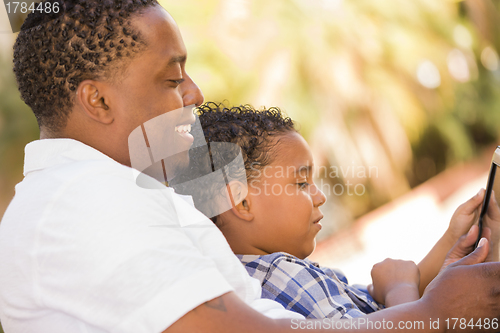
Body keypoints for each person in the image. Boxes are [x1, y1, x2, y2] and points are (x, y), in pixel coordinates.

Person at [1, 1, 500, 332]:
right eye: (172, 77)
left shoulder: (111, 195)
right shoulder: (83, 204)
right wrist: (429, 315)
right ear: (98, 100)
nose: (194, 93)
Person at [172, 102, 500, 318]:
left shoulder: (261, 277)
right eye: (301, 184)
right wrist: (401, 287)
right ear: (242, 202)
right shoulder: (280, 277)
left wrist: (453, 239)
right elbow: (408, 319)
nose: (319, 196)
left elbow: (382, 310)